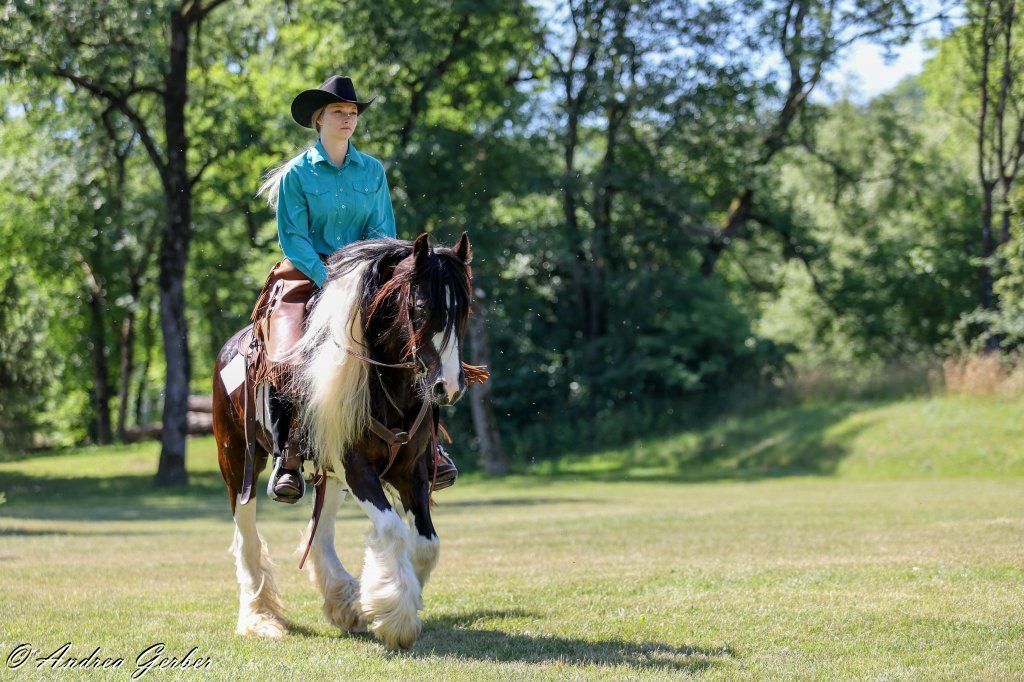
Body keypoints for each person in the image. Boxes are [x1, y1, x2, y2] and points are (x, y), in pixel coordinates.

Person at [252, 75, 457, 503]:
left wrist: (368, 275)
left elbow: (383, 231)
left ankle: (430, 450)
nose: (348, 119)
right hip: (310, 272)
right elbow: (294, 238)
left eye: (352, 113)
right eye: (339, 112)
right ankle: (288, 456)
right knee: (285, 353)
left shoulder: (372, 170)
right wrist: (330, 280)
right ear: (319, 119)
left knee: (414, 340)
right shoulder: (296, 174)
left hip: (367, 276)